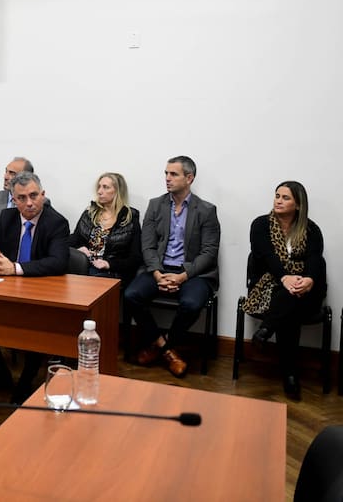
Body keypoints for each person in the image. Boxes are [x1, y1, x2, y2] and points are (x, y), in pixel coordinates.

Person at [0, 171, 70, 403]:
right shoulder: (7, 218)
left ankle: (26, 382)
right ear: (14, 200)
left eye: (34, 196)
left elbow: (58, 262)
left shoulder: (56, 222)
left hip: (41, 291)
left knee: (36, 325)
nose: (29, 203)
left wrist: (13, 268)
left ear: (43, 195)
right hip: (5, 288)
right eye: (22, 198)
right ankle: (0, 373)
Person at [124, 156, 220, 378]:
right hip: (159, 268)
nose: (167, 178)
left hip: (193, 273)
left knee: (191, 303)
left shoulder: (206, 210)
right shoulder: (155, 205)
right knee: (131, 295)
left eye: (173, 174)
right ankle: (166, 349)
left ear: (189, 178)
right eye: (166, 173)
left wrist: (182, 277)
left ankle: (159, 347)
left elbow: (209, 253)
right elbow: (147, 246)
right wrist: (158, 274)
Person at [243, 181, 326, 400]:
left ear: (298, 204)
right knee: (288, 303)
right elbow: (265, 256)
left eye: (285, 197)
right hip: (269, 284)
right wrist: (285, 277)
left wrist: (308, 280)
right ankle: (290, 375)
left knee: (290, 298)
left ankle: (266, 330)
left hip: (305, 290)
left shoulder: (311, 229)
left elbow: (315, 259)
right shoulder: (260, 225)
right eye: (277, 196)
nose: (278, 200)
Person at [69, 172, 142, 287]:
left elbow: (135, 258)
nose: (99, 191)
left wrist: (108, 264)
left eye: (105, 187)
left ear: (118, 191)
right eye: (99, 187)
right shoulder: (90, 213)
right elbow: (73, 239)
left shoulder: (130, 217)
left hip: (112, 272)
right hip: (85, 266)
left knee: (89, 284)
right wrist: (78, 248)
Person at [0, 157, 34, 248]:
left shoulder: (36, 203)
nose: (6, 177)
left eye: (12, 173)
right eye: (6, 171)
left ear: (26, 179)